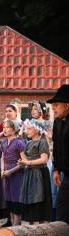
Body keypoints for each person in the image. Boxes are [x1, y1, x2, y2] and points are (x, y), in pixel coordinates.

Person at [19, 119, 52, 224]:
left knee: (39, 198)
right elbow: (25, 158)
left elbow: (44, 159)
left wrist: (28, 163)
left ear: (37, 130)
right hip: (30, 173)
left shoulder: (42, 142)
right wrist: (22, 162)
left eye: (29, 129)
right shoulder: (28, 143)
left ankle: (41, 225)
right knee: (30, 197)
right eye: (25, 129)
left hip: (39, 173)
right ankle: (31, 225)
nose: (26, 131)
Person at [47, 84, 69, 224]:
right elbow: (57, 147)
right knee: (62, 206)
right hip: (66, 173)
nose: (53, 108)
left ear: (67, 105)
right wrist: (56, 169)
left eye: (56, 105)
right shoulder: (57, 122)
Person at [0, 120, 25, 226]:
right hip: (5, 173)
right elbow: (2, 157)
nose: (4, 129)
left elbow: (24, 162)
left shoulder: (19, 143)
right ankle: (11, 225)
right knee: (8, 199)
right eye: (4, 127)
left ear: (14, 129)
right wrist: (2, 170)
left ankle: (16, 227)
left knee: (16, 199)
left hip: (16, 174)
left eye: (7, 127)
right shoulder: (4, 142)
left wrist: (10, 171)